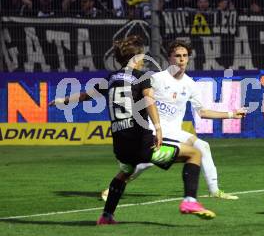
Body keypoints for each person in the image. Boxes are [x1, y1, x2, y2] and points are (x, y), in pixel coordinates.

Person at [50, 36, 216, 224]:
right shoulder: (141, 77)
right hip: (141, 144)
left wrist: (61, 101)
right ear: (136, 58)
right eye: (142, 56)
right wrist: (159, 129)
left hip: (120, 146)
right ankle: (189, 201)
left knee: (126, 171)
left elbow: (84, 96)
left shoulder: (110, 78)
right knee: (194, 154)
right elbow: (149, 100)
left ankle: (106, 216)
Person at [101, 40, 246, 202]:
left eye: (185, 56)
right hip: (153, 128)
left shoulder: (191, 84)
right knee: (145, 162)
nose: (181, 59)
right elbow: (140, 98)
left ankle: (214, 190)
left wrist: (232, 114)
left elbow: (203, 112)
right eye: (177, 56)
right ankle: (113, 188)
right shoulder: (157, 79)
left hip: (174, 131)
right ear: (170, 59)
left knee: (199, 147)